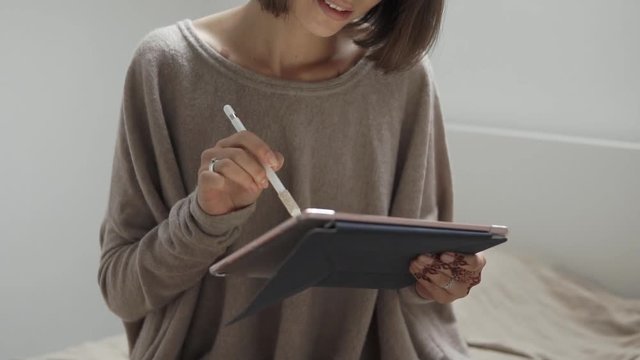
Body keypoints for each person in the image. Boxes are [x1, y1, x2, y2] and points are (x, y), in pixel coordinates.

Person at [99, 0, 487, 358]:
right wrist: (203, 219)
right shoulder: (166, 66)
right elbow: (122, 292)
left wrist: (435, 281)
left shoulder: (403, 77)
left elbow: (413, 282)